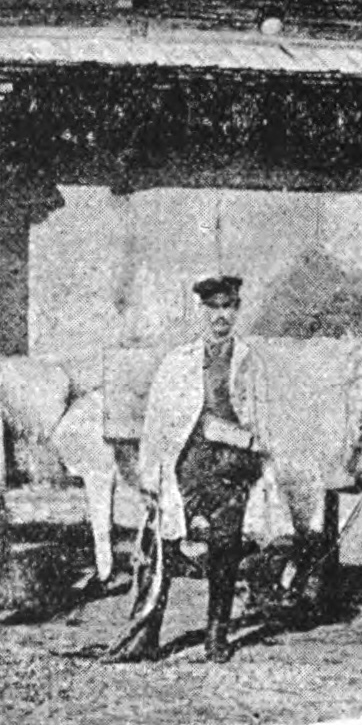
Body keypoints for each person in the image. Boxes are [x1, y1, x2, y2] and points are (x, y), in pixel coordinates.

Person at [106, 274, 266, 664]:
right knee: (163, 547)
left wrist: (249, 449)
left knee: (225, 553)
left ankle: (216, 634)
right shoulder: (178, 363)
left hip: (230, 469)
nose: (221, 316)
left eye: (228, 307)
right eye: (213, 308)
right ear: (201, 311)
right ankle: (146, 634)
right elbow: (157, 423)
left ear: (237, 310)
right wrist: (149, 474)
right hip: (187, 467)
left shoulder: (250, 361)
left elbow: (262, 419)